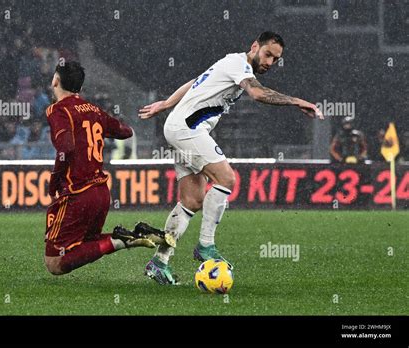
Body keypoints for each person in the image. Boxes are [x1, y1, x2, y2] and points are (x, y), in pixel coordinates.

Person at [139, 31, 324, 285]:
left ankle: (159, 262)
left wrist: (166, 103)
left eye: (276, 59)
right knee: (226, 178)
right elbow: (258, 94)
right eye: (267, 54)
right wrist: (296, 101)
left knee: (191, 200)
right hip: (187, 129)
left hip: (178, 127)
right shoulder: (239, 65)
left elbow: (195, 82)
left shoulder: (229, 62)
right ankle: (206, 245)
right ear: (254, 46)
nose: (270, 62)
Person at [44, 61, 173, 275]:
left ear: (55, 81)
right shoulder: (94, 110)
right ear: (81, 88)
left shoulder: (58, 111)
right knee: (88, 242)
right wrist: (99, 127)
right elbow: (126, 131)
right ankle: (133, 235)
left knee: (55, 263)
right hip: (101, 193)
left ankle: (120, 240)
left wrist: (55, 179)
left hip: (78, 193)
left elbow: (66, 147)